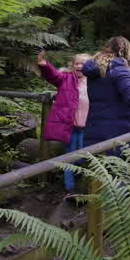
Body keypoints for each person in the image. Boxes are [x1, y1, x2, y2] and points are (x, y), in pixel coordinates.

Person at [36, 51, 92, 190]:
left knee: (83, 157)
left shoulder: (95, 82)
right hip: (70, 127)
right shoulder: (66, 79)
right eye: (76, 63)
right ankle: (70, 188)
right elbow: (53, 75)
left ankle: (79, 182)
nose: (79, 66)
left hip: (88, 127)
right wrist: (45, 66)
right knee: (69, 158)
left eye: (82, 63)